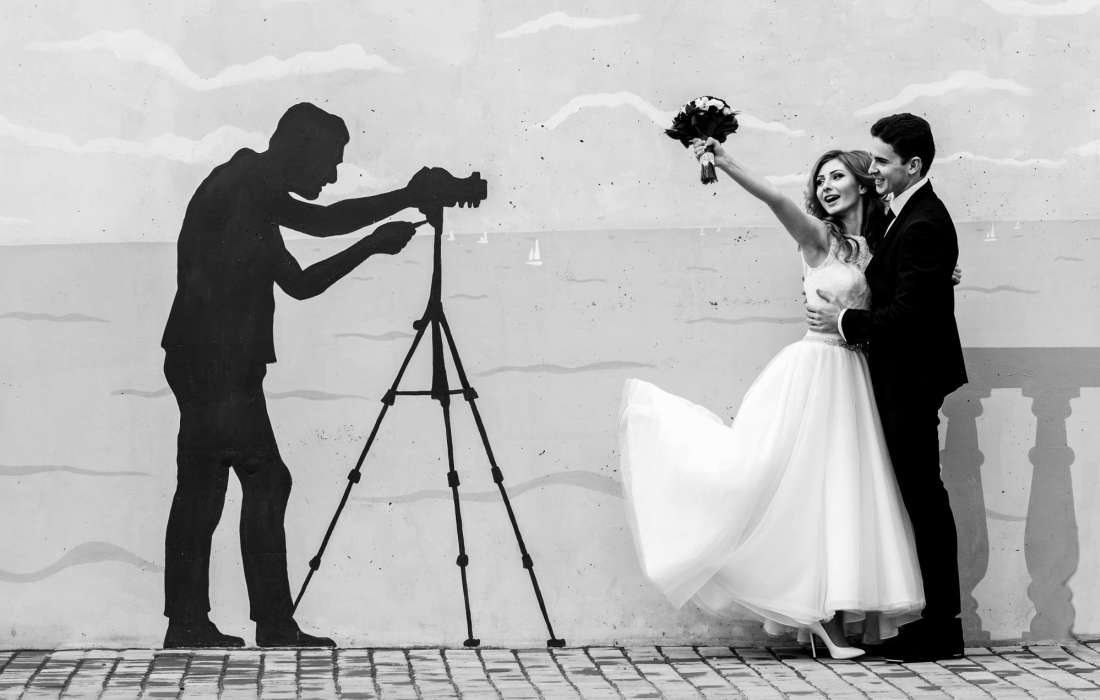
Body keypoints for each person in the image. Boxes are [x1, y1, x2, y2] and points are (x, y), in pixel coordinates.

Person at [619, 142, 927, 660]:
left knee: (843, 492)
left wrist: (941, 275)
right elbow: (776, 201)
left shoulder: (879, 244)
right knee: (805, 486)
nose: (825, 187)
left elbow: (902, 295)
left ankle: (832, 615)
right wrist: (726, 161)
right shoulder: (818, 238)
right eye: (820, 181)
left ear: (861, 182)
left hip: (855, 374)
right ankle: (823, 620)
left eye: (836, 177)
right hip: (816, 371)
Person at [160, 102, 449, 648]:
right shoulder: (245, 186)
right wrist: (406, 198)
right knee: (261, 481)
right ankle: (265, 624)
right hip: (217, 363)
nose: (332, 176)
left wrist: (372, 243)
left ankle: (191, 623)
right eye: (330, 161)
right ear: (300, 149)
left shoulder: (249, 197)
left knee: (206, 487)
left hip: (210, 360)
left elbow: (299, 283)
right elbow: (322, 222)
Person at [808, 113, 967, 663]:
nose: (872, 169)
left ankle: (942, 628)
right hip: (901, 376)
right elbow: (906, 281)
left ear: (913, 165)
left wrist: (842, 323)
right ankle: (937, 622)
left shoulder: (923, 222)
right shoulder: (907, 216)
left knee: (924, 498)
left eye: (881, 161)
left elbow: (907, 316)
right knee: (918, 497)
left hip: (911, 379)